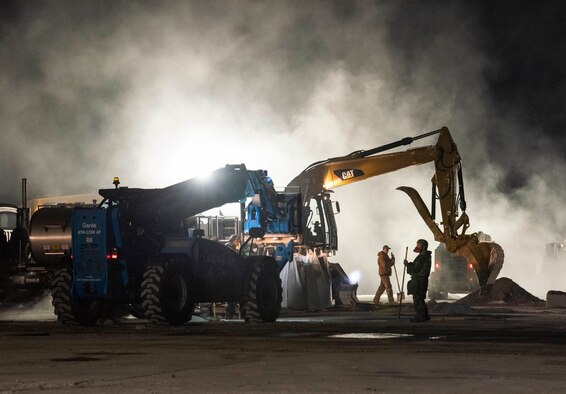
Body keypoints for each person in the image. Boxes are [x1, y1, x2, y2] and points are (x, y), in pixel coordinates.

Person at [404, 239, 432, 322]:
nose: (417, 246)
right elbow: (417, 266)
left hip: (419, 280)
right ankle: (424, 316)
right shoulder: (425, 255)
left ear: (423, 246)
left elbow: (416, 268)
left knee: (418, 299)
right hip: (422, 279)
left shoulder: (422, 256)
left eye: (418, 245)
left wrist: (408, 265)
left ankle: (421, 317)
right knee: (420, 298)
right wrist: (409, 264)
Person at [224, 234, 240, 319]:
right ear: (234, 240)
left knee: (231, 298)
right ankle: (229, 314)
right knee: (231, 297)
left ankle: (230, 314)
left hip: (230, 273)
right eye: (237, 241)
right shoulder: (229, 247)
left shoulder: (230, 247)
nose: (238, 243)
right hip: (230, 273)